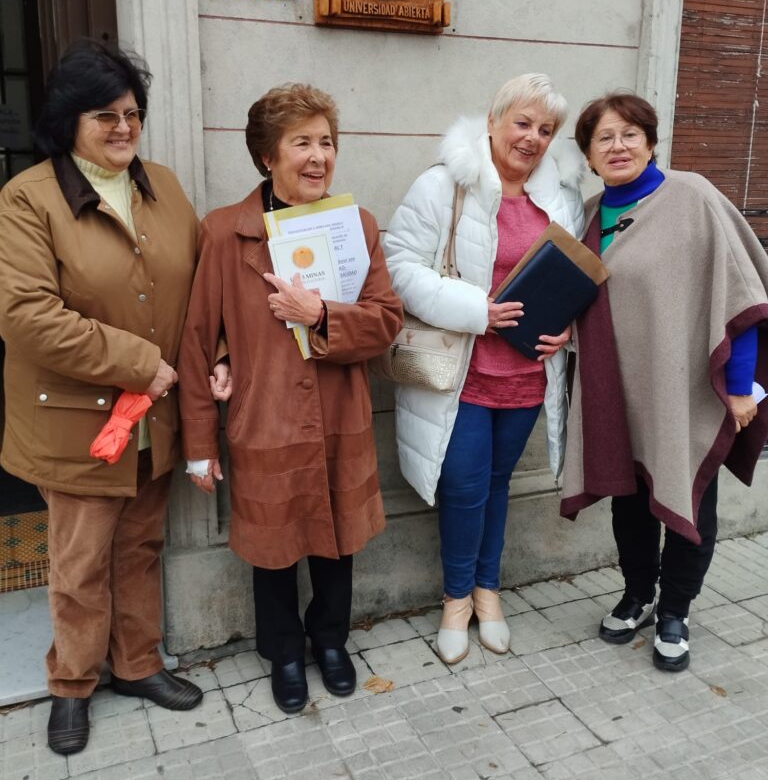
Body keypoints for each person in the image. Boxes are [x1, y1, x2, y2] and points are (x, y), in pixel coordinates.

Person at [0, 39, 205, 756]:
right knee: (80, 562)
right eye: (105, 115)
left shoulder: (164, 186)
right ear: (69, 121)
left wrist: (218, 356)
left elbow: (202, 287)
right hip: (78, 424)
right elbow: (27, 315)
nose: (124, 128)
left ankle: (138, 664)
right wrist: (141, 363)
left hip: (156, 419)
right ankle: (72, 683)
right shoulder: (27, 199)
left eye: (133, 113)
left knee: (140, 546)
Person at [177, 83, 403, 714]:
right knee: (272, 547)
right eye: (301, 142)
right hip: (265, 415)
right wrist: (199, 442)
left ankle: (330, 640)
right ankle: (281, 651)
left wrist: (321, 314)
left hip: (339, 413)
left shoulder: (356, 225)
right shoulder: (224, 232)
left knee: (338, 539)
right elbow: (198, 339)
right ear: (267, 156)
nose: (318, 156)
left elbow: (386, 320)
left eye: (326, 142)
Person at [561, 91, 768, 671]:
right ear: (588, 156)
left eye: (630, 134)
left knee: (688, 496)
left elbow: (740, 293)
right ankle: (638, 595)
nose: (618, 146)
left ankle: (676, 608)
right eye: (604, 138)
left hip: (685, 391)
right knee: (628, 498)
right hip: (618, 390)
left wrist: (740, 386)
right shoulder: (590, 215)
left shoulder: (692, 196)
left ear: (651, 142)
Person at [383, 73, 585, 664]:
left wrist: (568, 328)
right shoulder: (444, 184)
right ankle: (455, 600)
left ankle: (488, 592)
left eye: (545, 129)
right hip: (462, 374)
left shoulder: (562, 198)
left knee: (498, 486)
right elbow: (400, 267)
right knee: (464, 488)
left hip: (527, 376)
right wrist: (479, 310)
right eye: (522, 123)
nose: (532, 138)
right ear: (492, 121)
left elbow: (575, 275)